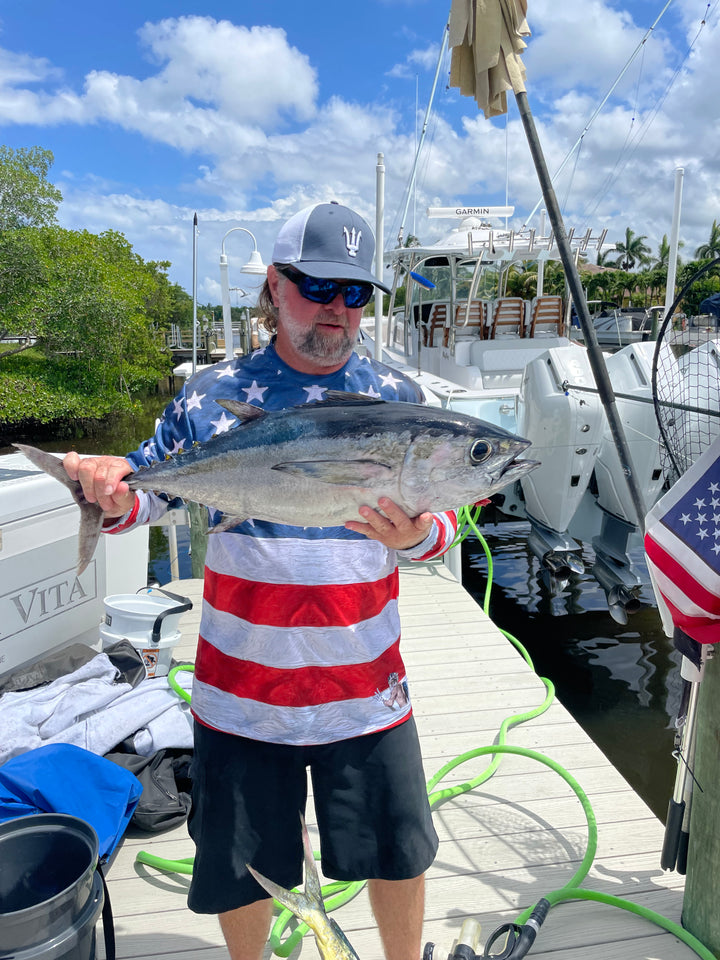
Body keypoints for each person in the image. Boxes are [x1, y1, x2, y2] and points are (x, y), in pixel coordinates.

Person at [62, 201, 458, 960]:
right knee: (241, 869)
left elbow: (442, 523)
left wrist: (418, 536)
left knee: (398, 853)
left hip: (366, 689)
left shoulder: (399, 400)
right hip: (241, 693)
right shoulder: (209, 395)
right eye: (318, 286)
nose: (338, 308)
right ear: (275, 285)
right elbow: (152, 492)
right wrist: (109, 492)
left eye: (356, 292)